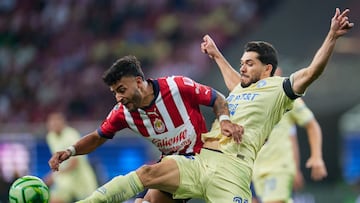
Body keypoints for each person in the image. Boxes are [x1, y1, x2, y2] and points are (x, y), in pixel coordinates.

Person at [50, 8, 353, 203]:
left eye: (249, 63)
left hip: (232, 172)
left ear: (268, 69)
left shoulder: (279, 91)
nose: (243, 68)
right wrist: (217, 55)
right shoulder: (240, 91)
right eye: (242, 62)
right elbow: (231, 87)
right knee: (147, 174)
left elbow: (311, 72)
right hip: (201, 159)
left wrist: (331, 36)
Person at [48, 55, 242, 203]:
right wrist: (70, 151)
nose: (118, 98)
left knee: (146, 173)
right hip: (173, 165)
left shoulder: (177, 86)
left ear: (139, 82)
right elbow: (98, 137)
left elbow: (217, 98)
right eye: (114, 92)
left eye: (121, 90)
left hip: (203, 160)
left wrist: (224, 120)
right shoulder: (122, 113)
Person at [249, 69, 328, 203]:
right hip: (255, 171)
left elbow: (310, 126)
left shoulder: (289, 99)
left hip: (279, 167)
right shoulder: (252, 101)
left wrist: (316, 157)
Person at [44, 112, 98, 203]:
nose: (55, 124)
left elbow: (74, 163)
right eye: (52, 121)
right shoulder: (50, 137)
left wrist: (54, 175)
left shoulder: (71, 135)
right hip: (66, 181)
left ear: (63, 122)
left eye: (57, 120)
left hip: (81, 179)